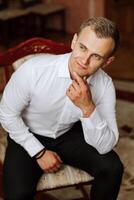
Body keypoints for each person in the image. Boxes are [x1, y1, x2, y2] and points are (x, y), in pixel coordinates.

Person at [0, 16, 123, 200]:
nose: (84, 61)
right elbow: (7, 115)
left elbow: (105, 145)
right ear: (74, 41)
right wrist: (39, 152)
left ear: (107, 62)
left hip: (68, 134)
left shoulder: (104, 85)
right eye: (83, 48)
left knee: (113, 168)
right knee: (18, 194)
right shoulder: (34, 70)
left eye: (96, 56)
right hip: (28, 133)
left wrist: (88, 108)